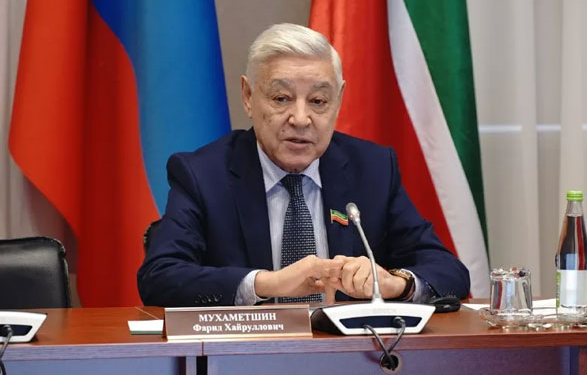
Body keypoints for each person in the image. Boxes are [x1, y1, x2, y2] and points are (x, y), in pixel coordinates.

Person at [137, 23, 470, 307]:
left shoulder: (373, 169)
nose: (300, 118)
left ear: (338, 101)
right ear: (249, 96)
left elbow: (449, 271)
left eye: (318, 101)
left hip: (352, 355)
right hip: (246, 355)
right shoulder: (203, 174)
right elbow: (160, 277)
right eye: (281, 98)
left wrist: (395, 283)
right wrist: (268, 283)